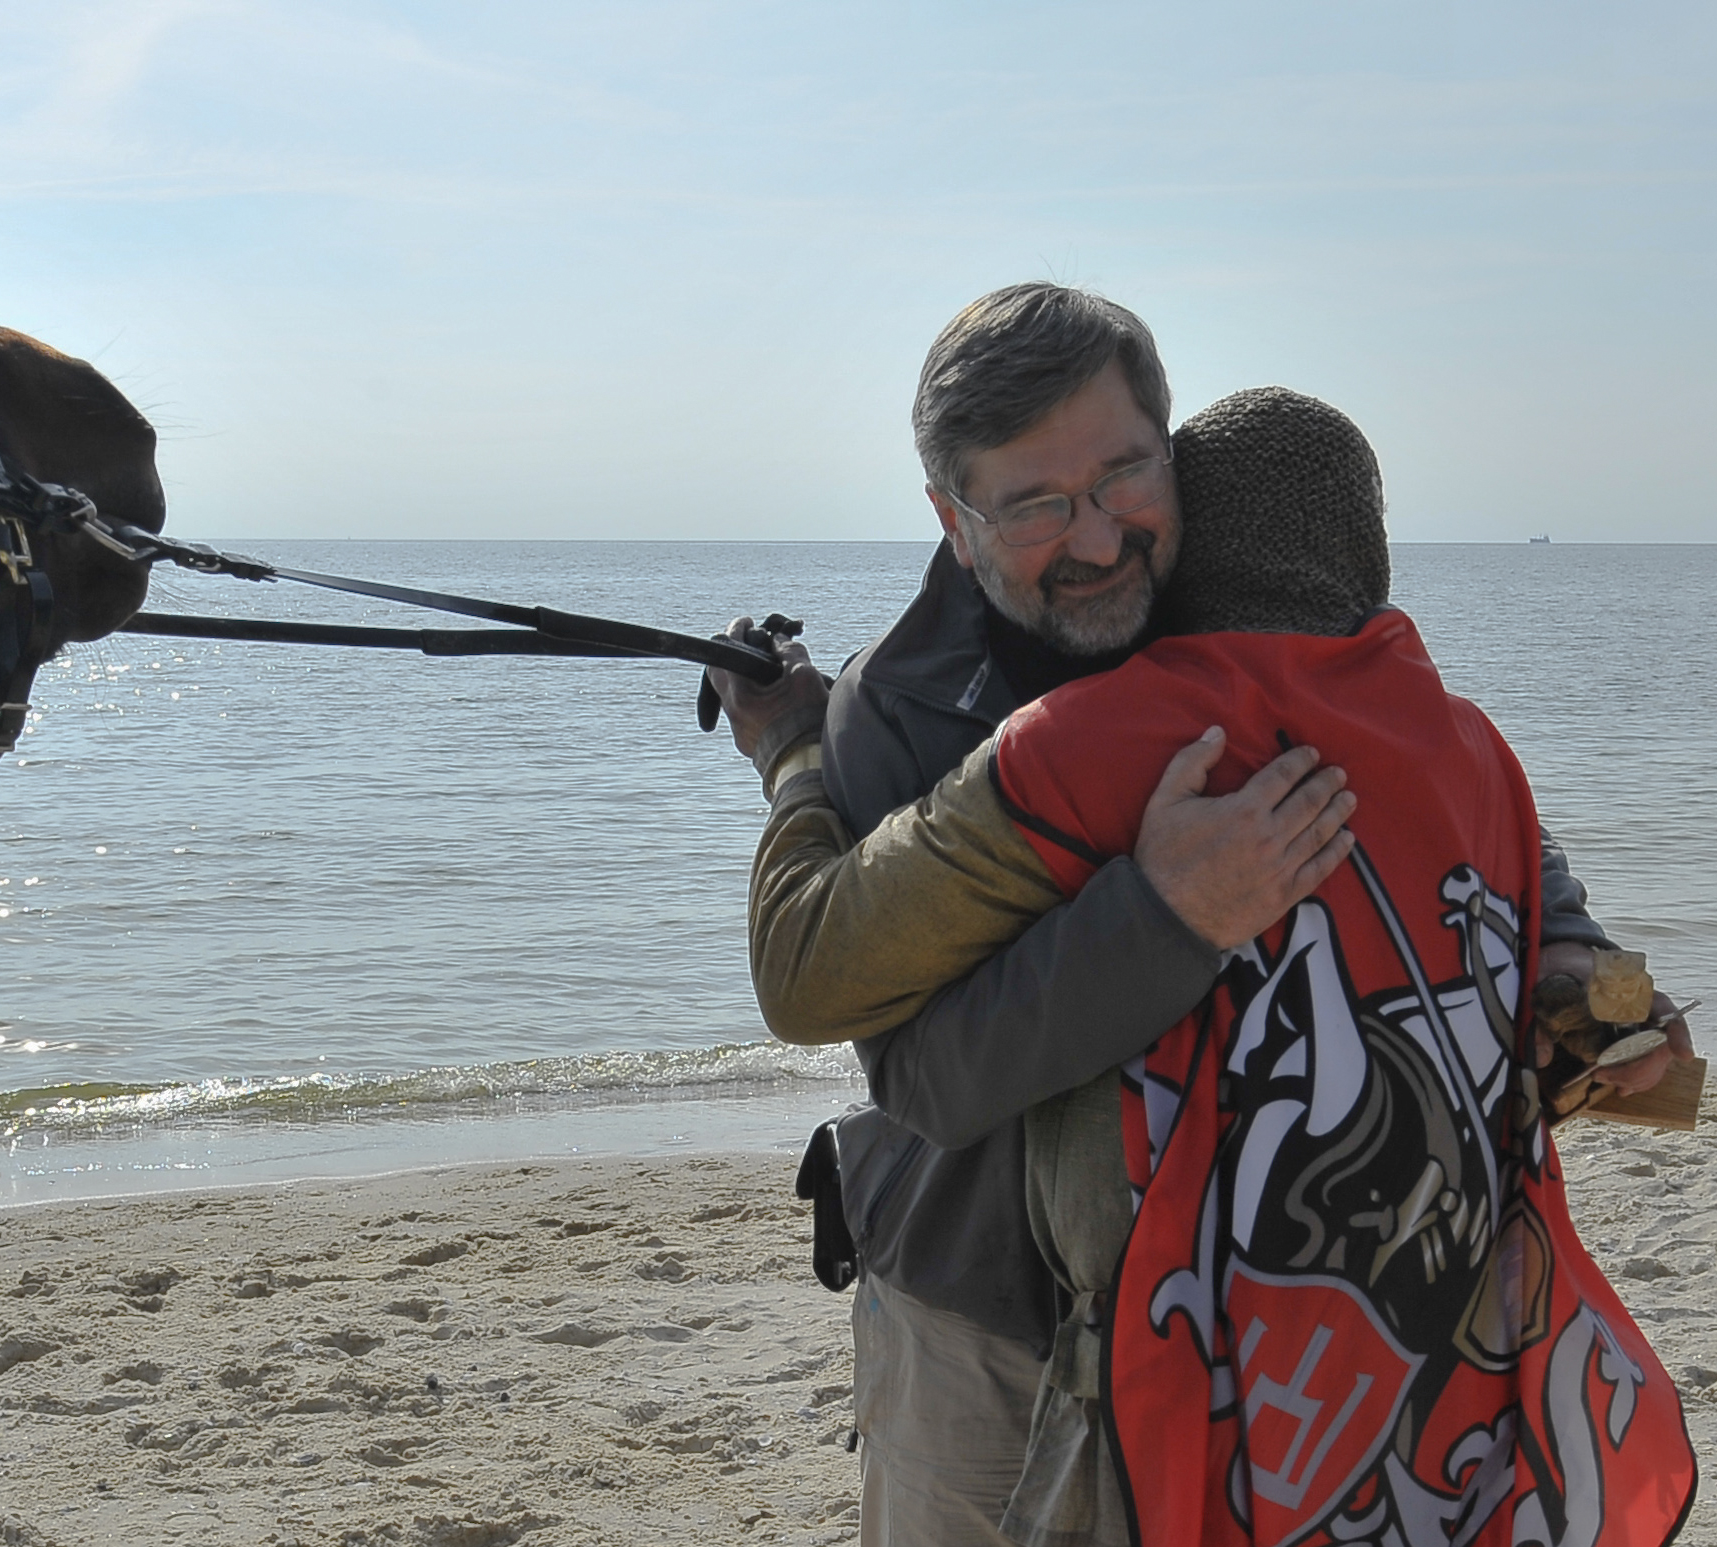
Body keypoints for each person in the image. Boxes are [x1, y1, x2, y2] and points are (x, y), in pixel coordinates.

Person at [706, 284, 1656, 1547]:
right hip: (978, 1310)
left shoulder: (1242, 604)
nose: (1098, 538)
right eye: (1035, 504)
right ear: (953, 518)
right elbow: (925, 1073)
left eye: (1122, 475)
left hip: (1250, 1308)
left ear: (1174, 451)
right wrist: (1162, 913)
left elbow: (1438, 792)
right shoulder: (904, 705)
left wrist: (1566, 953)